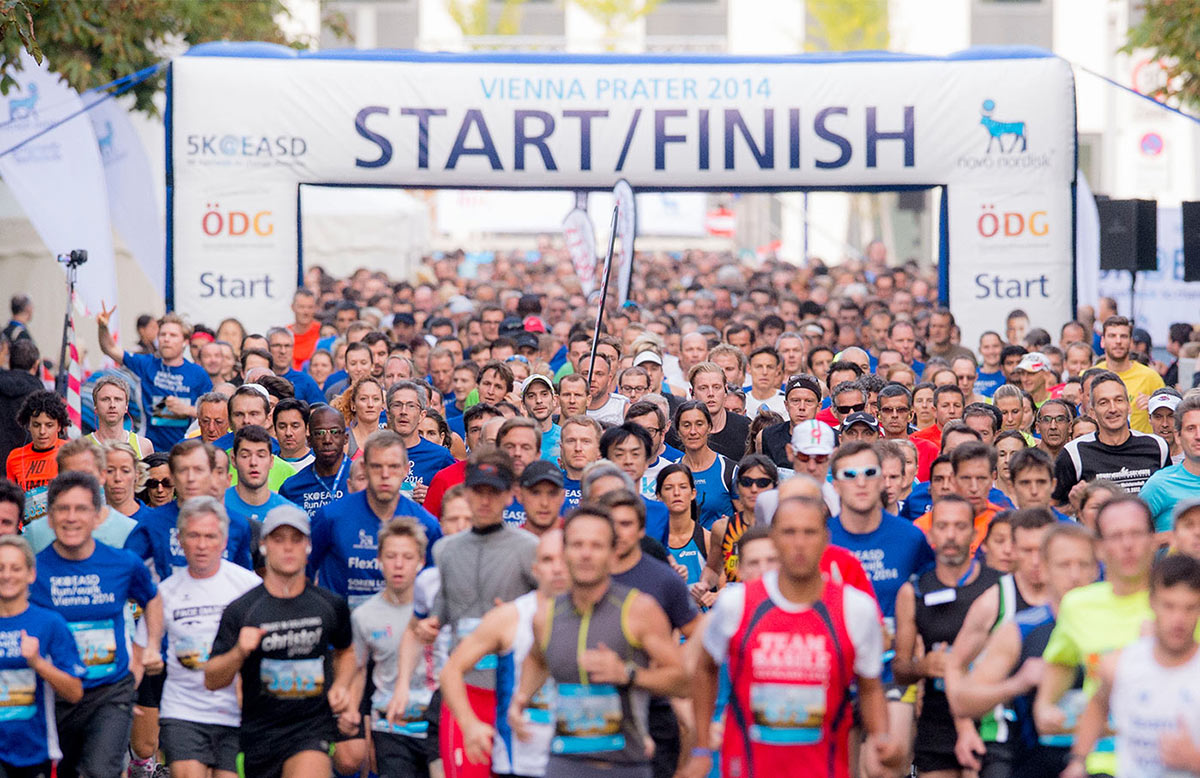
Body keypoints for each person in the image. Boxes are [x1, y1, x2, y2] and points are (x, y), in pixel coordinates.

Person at [687, 494, 896, 778]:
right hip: (748, 766)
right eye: (789, 532)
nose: (799, 543)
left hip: (823, 767)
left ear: (825, 539)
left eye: (809, 532)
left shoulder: (855, 609)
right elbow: (704, 668)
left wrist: (881, 737)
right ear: (775, 539)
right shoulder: (736, 604)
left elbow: (870, 687)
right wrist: (701, 744)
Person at [507, 502, 688, 778]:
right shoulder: (546, 616)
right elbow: (536, 659)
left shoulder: (639, 610)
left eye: (596, 545)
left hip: (624, 765)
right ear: (565, 552)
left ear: (612, 553)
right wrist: (520, 700)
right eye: (577, 545)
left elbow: (683, 681)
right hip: (563, 764)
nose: (586, 554)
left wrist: (628, 674)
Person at [392, 450, 538, 778]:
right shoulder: (445, 550)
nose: (484, 501)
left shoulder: (528, 549)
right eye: (478, 491)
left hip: (514, 694)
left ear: (509, 495)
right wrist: (403, 681)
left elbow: (553, 617)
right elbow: (431, 620)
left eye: (493, 492)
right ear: (466, 491)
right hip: (464, 692)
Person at [206, 505, 355, 778]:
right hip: (259, 734)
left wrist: (342, 687)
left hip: (312, 728)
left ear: (308, 546)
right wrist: (238, 652)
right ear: (263, 545)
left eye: (296, 539)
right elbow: (212, 678)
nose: (288, 548)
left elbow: (347, 650)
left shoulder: (328, 605)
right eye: (278, 539)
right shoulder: (242, 610)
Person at [32, 471, 162, 778]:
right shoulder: (33, 571)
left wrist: (147, 649)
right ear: (49, 518)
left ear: (98, 516)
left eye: (81, 509)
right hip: (55, 695)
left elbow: (153, 600)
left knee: (99, 771)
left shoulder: (123, 563)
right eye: (63, 509)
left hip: (111, 692)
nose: (72, 518)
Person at [947, 522, 1099, 778]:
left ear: (1096, 569)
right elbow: (964, 702)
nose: (1075, 575)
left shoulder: (1119, 624)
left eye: (1083, 564)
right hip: (1035, 765)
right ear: (1046, 569)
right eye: (1064, 565)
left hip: (1104, 763)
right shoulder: (1023, 629)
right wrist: (1018, 683)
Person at [1034, 495, 1159, 778]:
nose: (1127, 545)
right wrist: (1045, 707)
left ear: (1153, 539)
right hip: (1102, 762)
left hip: (1169, 762)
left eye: (1136, 534)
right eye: (1116, 536)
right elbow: (1060, 664)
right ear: (1100, 549)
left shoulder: (1182, 600)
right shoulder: (1078, 605)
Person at [439, 530, 568, 778]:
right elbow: (451, 671)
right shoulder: (510, 617)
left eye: (563, 559)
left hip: (578, 760)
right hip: (519, 762)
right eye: (548, 560)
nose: (557, 568)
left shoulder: (598, 614)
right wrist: (469, 725)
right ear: (535, 568)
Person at [893, 494, 1003, 778]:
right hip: (937, 719)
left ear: (974, 532)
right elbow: (900, 669)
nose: (951, 535)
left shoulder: (998, 586)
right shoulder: (914, 591)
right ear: (930, 533)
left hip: (989, 718)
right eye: (942, 526)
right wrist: (923, 666)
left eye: (960, 526)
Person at [1062, 554, 1200, 778]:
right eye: (1169, 606)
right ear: (1152, 602)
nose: (1178, 619)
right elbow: (1097, 705)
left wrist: (1194, 760)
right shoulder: (1120, 664)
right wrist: (1078, 761)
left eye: (1189, 607)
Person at [944, 508, 1056, 776]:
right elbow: (955, 665)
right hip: (1002, 737)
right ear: (1013, 550)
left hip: (1059, 734)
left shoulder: (1072, 598)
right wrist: (965, 729)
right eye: (1026, 550)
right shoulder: (993, 601)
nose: (1035, 560)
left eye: (1041, 550)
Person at [156, 497, 261, 778]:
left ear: (224, 540)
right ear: (180, 539)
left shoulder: (249, 587)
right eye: (193, 536)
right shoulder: (164, 592)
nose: (202, 545)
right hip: (183, 710)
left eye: (210, 537)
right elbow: (145, 649)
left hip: (235, 711)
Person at [310, 430, 442, 606]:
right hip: (340, 627)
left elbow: (435, 586)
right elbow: (305, 570)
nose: (385, 475)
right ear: (364, 468)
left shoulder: (426, 525)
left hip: (402, 626)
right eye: (377, 466)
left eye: (393, 467)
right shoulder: (330, 517)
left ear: (405, 470)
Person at [347, 518, 433, 778]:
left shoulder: (438, 609)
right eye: (391, 556)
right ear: (379, 560)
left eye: (407, 557)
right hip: (390, 728)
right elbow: (358, 673)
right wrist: (363, 729)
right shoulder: (364, 616)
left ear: (420, 562)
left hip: (435, 725)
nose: (398, 565)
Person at [0, 534, 85, 775]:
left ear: (30, 574)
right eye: (1, 568)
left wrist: (38, 663)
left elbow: (75, 692)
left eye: (15, 568)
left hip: (35, 752)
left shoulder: (49, 623)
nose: (6, 575)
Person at [126, 439, 253, 580]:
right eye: (183, 470)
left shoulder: (236, 524)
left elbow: (244, 583)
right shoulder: (151, 523)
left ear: (211, 474)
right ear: (173, 477)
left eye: (198, 470)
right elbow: (128, 577)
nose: (190, 478)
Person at [97, 310, 212, 452]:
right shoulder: (146, 364)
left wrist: (187, 410)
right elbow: (110, 348)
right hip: (149, 448)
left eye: (173, 335)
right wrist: (103, 327)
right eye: (162, 335)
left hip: (185, 449)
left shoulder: (198, 374)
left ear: (185, 342)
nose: (166, 339)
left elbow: (213, 413)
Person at [1052, 371, 1170, 507]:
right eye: (1103, 402)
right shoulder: (1074, 453)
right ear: (1093, 411)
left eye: (1119, 400)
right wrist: (1075, 506)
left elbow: (1169, 503)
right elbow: (1052, 510)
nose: (1113, 409)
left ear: (1129, 406)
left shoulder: (1157, 447)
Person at [5, 390, 68, 525]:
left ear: (59, 426)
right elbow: (10, 502)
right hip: (26, 532)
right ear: (28, 425)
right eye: (36, 425)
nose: (42, 431)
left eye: (49, 425)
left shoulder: (70, 453)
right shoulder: (15, 458)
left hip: (61, 529)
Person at [1140, 394, 1200, 534]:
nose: (1198, 436)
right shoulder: (1159, 485)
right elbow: (1132, 535)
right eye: (1191, 428)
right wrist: (1173, 540)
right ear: (1178, 436)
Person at [1093, 315, 1164, 434]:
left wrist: (1155, 405)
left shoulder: (1150, 377)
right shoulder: (1091, 376)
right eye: (1112, 336)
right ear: (1102, 341)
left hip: (1141, 448)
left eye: (1123, 336)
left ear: (1131, 342)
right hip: (1101, 448)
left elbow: (1171, 416)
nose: (1118, 341)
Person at [388, 381, 456, 500]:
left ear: (422, 415)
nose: (404, 411)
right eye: (397, 405)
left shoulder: (440, 456)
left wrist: (433, 496)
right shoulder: (375, 452)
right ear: (388, 414)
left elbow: (459, 498)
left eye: (411, 406)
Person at [675, 401, 736, 530]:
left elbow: (745, 517)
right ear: (678, 431)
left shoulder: (729, 471)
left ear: (709, 427)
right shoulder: (672, 471)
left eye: (699, 424)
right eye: (686, 425)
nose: (693, 431)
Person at [759, 374, 822, 469]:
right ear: (786, 405)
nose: (802, 407)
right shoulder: (767, 436)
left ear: (819, 407)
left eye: (809, 401)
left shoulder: (832, 438)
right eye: (795, 401)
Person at [86, 375, 154, 456]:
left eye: (118, 399)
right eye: (105, 399)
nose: (112, 405)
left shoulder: (143, 446)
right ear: (95, 406)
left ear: (126, 406)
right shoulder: (82, 446)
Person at [517, 459, 566, 537]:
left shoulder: (580, 537)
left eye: (552, 494)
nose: (544, 503)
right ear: (519, 495)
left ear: (563, 496)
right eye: (535, 493)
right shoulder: (510, 544)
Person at [521, 374, 561, 462]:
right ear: (523, 404)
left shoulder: (566, 437)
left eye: (544, 394)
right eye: (531, 396)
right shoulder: (517, 439)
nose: (539, 400)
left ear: (555, 400)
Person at [273, 397, 313, 469]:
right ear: (275, 429)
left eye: (295, 426)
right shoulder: (267, 463)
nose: (288, 433)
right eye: (282, 427)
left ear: (307, 429)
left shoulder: (318, 462)